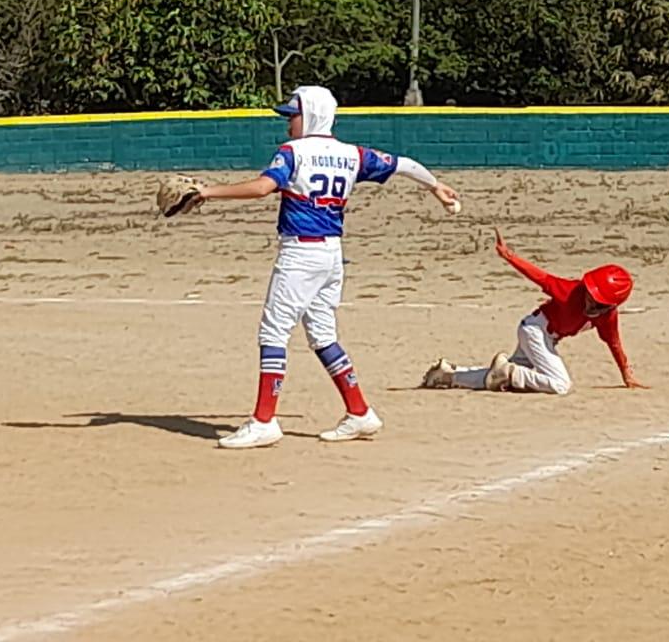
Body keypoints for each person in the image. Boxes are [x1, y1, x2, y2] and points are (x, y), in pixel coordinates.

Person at [196, 85, 460, 448]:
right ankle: (360, 412)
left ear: (312, 115)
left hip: (300, 255)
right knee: (322, 335)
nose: (289, 123)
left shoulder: (293, 152)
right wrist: (436, 187)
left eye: (293, 115)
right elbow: (404, 164)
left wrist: (207, 192)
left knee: (273, 333)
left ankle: (263, 421)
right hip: (331, 255)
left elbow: (261, 188)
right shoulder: (351, 154)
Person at [421, 228, 646, 394]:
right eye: (590, 294)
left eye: (597, 302)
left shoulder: (607, 318)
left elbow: (614, 343)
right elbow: (539, 276)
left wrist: (626, 374)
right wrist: (509, 256)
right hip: (535, 331)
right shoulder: (570, 291)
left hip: (543, 336)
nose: (590, 302)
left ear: (610, 306)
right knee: (560, 384)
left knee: (496, 378)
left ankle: (449, 375)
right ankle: (509, 372)